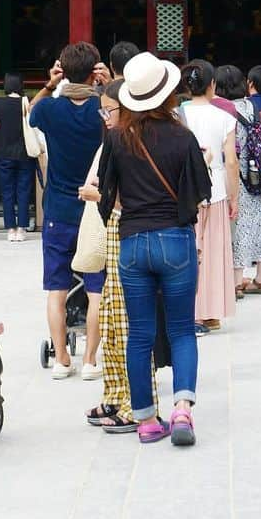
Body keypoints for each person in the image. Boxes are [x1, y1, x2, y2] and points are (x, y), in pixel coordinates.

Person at [98, 50, 211, 445]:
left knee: (140, 334)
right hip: (175, 238)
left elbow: (106, 195)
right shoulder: (183, 137)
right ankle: (182, 408)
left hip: (132, 241)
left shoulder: (117, 138)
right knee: (181, 330)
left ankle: (146, 420)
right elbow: (201, 193)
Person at [80, 78, 159, 433]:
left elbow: (140, 197)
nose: (105, 117)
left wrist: (100, 196)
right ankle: (115, 393)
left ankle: (137, 404)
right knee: (112, 320)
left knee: (130, 325)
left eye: (109, 110)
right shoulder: (114, 139)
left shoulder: (138, 143)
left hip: (130, 236)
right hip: (115, 236)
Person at [29, 43, 106, 379]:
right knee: (96, 289)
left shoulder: (51, 110)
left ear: (63, 70)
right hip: (95, 206)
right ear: (93, 72)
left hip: (59, 209)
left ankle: (61, 358)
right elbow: (127, 113)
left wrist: (50, 83)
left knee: (56, 288)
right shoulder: (103, 109)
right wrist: (112, 81)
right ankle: (90, 359)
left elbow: (31, 111)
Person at [181, 60, 239, 332]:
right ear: (211, 85)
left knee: (190, 251)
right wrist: (234, 196)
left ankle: (189, 309)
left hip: (185, 190)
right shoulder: (225, 117)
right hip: (215, 188)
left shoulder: (178, 114)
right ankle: (208, 311)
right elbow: (231, 162)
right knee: (213, 252)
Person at [218, 64, 261, 298]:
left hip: (239, 176)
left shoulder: (224, 111)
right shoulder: (257, 106)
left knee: (240, 226)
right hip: (260, 173)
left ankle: (235, 283)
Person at [0, 72, 37, 241]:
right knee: (23, 190)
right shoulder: (26, 103)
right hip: (24, 152)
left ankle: (10, 229)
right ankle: (22, 228)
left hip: (4, 152)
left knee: (7, 191)